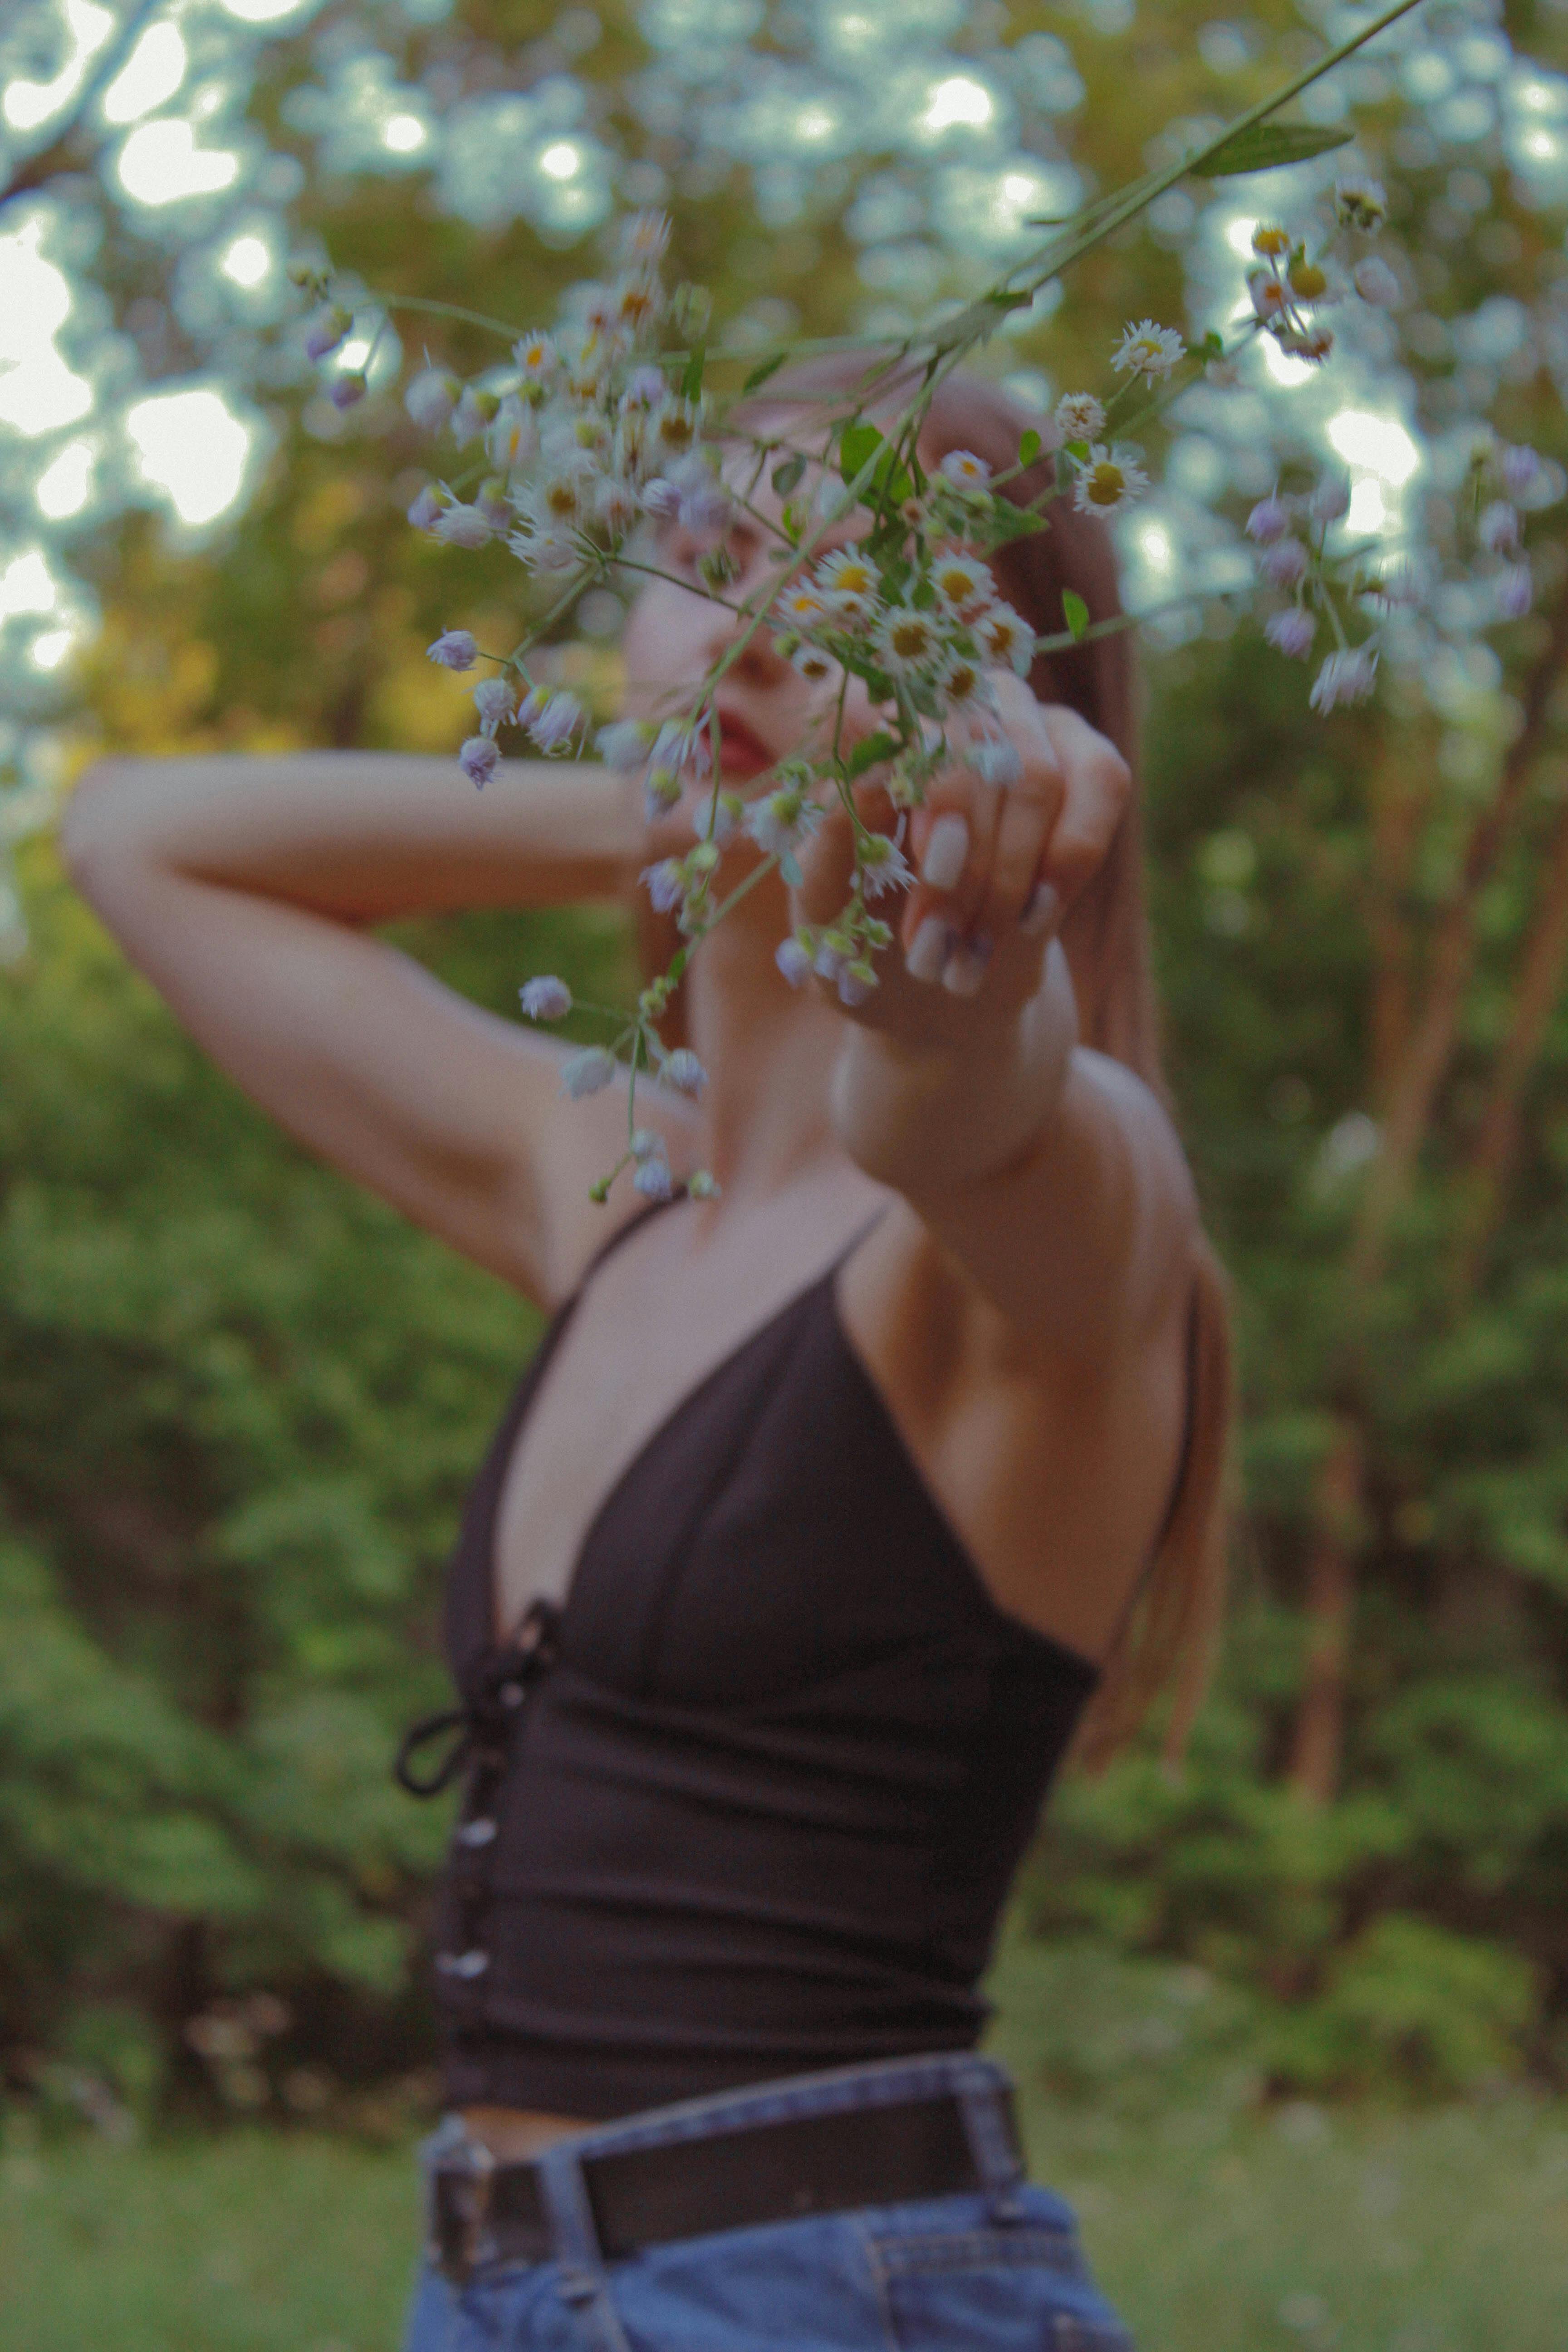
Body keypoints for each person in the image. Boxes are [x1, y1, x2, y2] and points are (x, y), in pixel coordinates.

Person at [64, 368, 1230, 2352]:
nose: (760, 623)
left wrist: (940, 983)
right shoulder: (597, 1177)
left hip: (825, 2292)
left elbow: (965, 1106)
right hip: (502, 2287)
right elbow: (138, 833)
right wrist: (676, 801)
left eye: (865, 598)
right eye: (710, 560)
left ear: (1006, 728)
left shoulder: (1062, 1203)